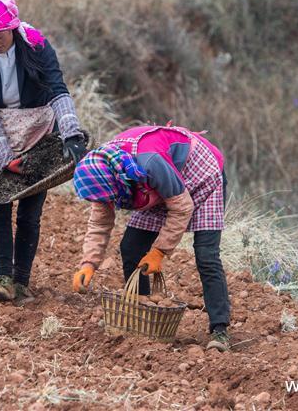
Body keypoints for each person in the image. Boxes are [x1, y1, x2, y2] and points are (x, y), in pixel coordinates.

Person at [0, 0, 88, 305]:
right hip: (1, 136)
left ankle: (21, 281)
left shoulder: (37, 49)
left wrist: (72, 133)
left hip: (37, 133)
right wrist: (6, 159)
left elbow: (58, 91)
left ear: (13, 28)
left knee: (30, 213)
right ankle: (2, 278)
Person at [71, 124, 231, 351]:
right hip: (153, 185)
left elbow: (182, 208)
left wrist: (159, 252)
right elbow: (100, 222)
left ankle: (220, 329)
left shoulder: (148, 163)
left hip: (201, 172)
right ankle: (140, 316)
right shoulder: (103, 174)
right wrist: (88, 263)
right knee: (131, 248)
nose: (106, 202)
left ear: (116, 182)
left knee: (206, 255)